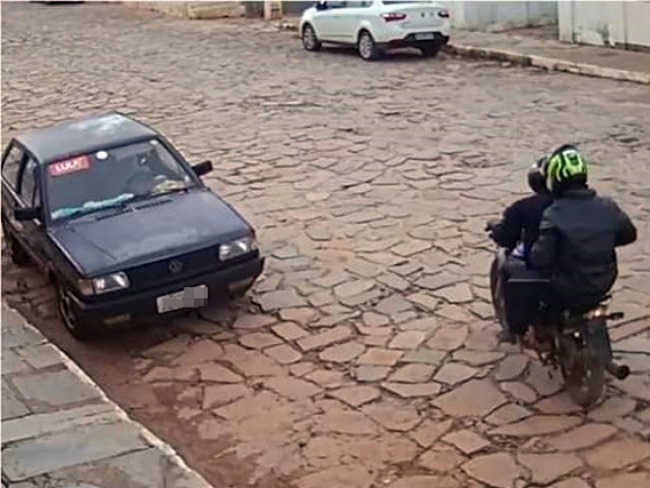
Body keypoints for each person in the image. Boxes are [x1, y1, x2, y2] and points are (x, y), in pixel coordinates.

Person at [528, 145, 637, 326]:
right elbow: (629, 235)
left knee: (535, 289)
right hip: (604, 282)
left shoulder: (553, 214)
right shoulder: (608, 206)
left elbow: (541, 258)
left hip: (568, 287)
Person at [488, 157, 554, 342]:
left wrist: (496, 229)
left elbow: (506, 237)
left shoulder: (524, 207)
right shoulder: (579, 206)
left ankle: (515, 329)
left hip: (546, 272)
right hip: (588, 274)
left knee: (512, 271)